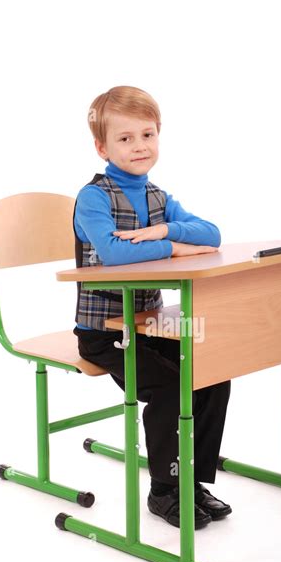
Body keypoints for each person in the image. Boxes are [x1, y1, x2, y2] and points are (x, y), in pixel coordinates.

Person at [73, 85, 231, 529]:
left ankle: (191, 480)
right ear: (102, 146)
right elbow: (114, 254)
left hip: (145, 324)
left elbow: (212, 234)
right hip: (103, 332)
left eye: (147, 135)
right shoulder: (95, 198)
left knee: (211, 373)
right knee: (169, 387)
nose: (139, 146)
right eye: (125, 139)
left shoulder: (158, 197)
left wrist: (166, 231)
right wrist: (176, 249)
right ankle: (164, 491)